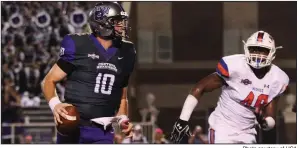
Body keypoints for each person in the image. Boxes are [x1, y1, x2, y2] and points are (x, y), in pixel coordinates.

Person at [170, 31, 289, 144]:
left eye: (262, 51)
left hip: (248, 133)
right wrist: (182, 120)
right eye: (254, 49)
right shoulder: (235, 66)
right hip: (222, 129)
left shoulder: (277, 79)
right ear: (247, 49)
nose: (257, 54)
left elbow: (271, 118)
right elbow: (200, 87)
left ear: (272, 52)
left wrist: (264, 122)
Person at [41, 2, 136, 144]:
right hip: (75, 126)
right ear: (102, 23)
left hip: (103, 131)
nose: (122, 26)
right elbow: (48, 80)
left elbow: (122, 91)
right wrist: (55, 104)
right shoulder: (78, 45)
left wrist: (122, 117)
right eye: (116, 22)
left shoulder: (127, 51)